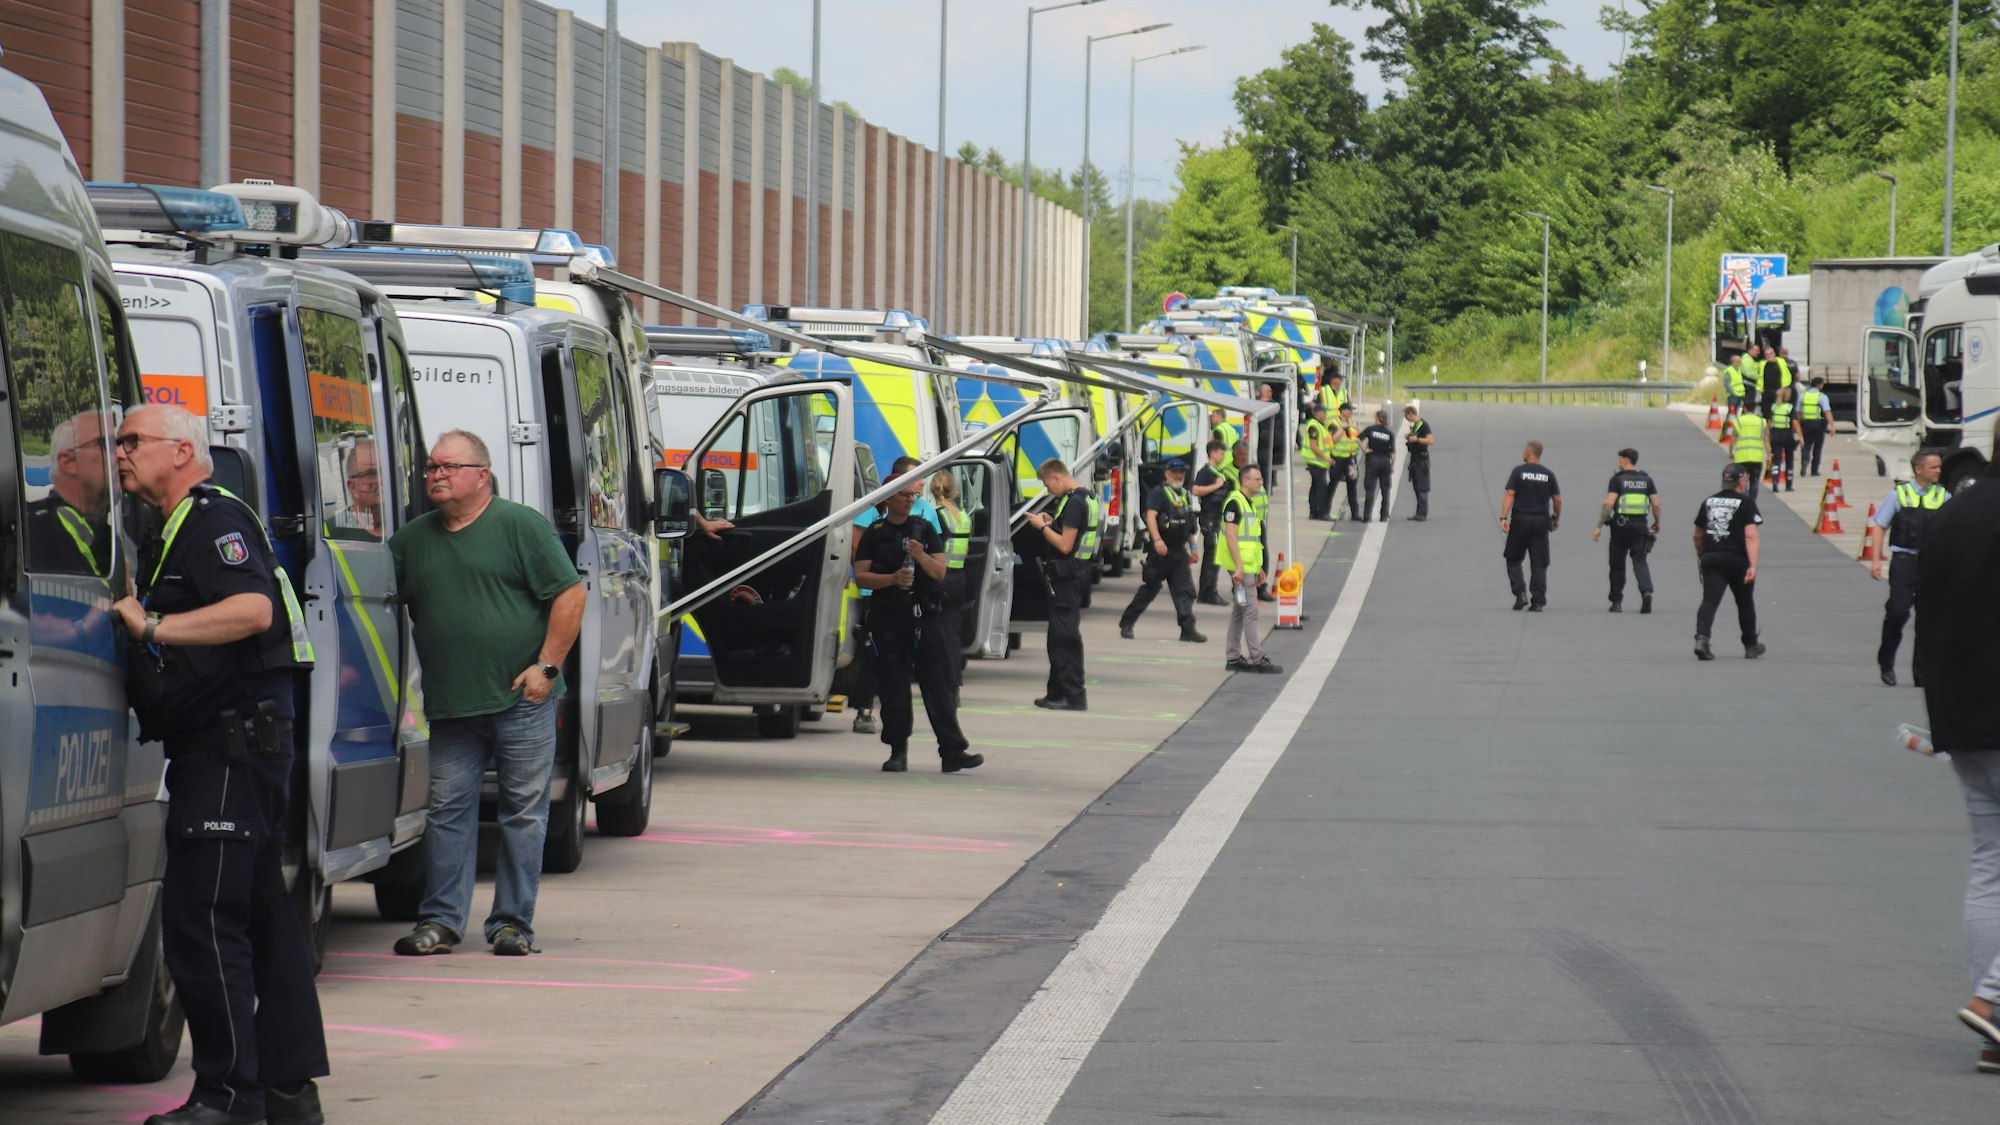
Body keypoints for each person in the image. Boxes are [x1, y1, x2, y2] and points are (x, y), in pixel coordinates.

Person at [107, 405, 328, 1125]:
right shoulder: (174, 528)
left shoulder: (211, 521)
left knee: (203, 921)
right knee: (261, 921)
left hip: (231, 750)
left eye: (133, 440)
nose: (120, 452)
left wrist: (154, 624)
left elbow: (253, 610)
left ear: (182, 450)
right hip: (240, 748)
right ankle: (289, 1091)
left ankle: (228, 1095)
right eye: (115, 442)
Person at [389, 429, 586, 959]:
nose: (437, 475)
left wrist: (547, 666)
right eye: (432, 467)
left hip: (522, 701)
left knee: (523, 812)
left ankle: (511, 925)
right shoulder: (412, 540)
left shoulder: (520, 526)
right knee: (448, 812)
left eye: (449, 467)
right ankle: (440, 923)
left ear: (483, 475)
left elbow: (570, 593)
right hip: (453, 704)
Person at [1910, 436, 2000, 1075]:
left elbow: (1926, 613)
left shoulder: (1950, 515)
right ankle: (1991, 1001)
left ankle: (1995, 1029)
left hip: (1962, 716)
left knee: (1991, 865)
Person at [855, 475, 980, 773]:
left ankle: (952, 752)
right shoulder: (875, 533)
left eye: (914, 495)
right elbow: (861, 576)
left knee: (939, 685)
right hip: (888, 617)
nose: (910, 500)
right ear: (889, 498)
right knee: (894, 688)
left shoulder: (926, 528)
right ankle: (898, 751)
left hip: (925, 618)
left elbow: (939, 572)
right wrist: (892, 580)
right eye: (904, 495)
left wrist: (920, 555)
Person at [846, 455, 941, 734]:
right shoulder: (878, 505)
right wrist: (880, 572)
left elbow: (937, 554)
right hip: (878, 593)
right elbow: (856, 543)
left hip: (916, 599)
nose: (918, 490)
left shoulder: (927, 510)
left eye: (921, 484)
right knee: (873, 654)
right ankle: (865, 710)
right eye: (914, 482)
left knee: (918, 660)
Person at [1868, 449, 1948, 687]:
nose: (1938, 471)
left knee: (1927, 620)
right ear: (1918, 469)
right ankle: (1886, 662)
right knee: (1897, 612)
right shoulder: (1899, 494)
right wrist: (1875, 559)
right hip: (1904, 561)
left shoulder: (1943, 495)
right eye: (1934, 467)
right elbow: (1879, 525)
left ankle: (1921, 673)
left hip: (1930, 565)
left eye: (1939, 467)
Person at [1024, 459, 1095, 711]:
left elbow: (1065, 545)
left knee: (1064, 638)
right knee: (1058, 636)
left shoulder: (1074, 502)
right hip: (1074, 575)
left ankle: (1072, 695)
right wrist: (1052, 521)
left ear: (1056, 478)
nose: (1047, 490)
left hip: (1067, 578)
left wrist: (1043, 527)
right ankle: (1056, 691)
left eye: (1047, 485)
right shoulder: (1084, 497)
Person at [1119, 458, 1205, 643]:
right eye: (1175, 472)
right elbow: (1151, 516)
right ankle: (1127, 623)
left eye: (1181, 472)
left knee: (1185, 591)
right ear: (1166, 474)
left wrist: (1194, 547)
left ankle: (1188, 629)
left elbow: (1188, 524)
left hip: (1178, 552)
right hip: (1161, 551)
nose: (1179, 475)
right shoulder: (1158, 493)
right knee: (1150, 589)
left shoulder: (1184, 494)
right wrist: (1157, 540)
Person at [1692, 462, 1765, 661]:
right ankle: (1750, 645)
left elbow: (1697, 535)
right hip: (1737, 560)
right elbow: (1751, 535)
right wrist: (1753, 565)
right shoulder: (1746, 502)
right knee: (1744, 602)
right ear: (1741, 480)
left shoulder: (1708, 501)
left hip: (1712, 557)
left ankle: (1702, 638)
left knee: (1710, 600)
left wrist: (1702, 555)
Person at [26, 409, 112, 575]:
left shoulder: (107, 536)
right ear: (69, 461)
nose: (120, 454)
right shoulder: (34, 535)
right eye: (106, 444)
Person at [1216, 464, 1281, 675]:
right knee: (1250, 609)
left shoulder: (1248, 504)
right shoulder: (1235, 504)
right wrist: (1240, 567)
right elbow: (1232, 537)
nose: (1261, 482)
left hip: (1248, 566)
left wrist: (1260, 567)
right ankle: (1257, 657)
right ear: (1245, 481)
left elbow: (1253, 541)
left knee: (1240, 608)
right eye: (1257, 479)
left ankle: (1233, 656)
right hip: (1240, 568)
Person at [1591, 447, 1661, 613]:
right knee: (1640, 560)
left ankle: (1616, 602)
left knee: (1617, 564)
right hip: (1640, 526)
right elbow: (1656, 504)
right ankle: (1646, 592)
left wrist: (1598, 526)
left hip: (1621, 526)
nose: (1618, 462)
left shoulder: (1617, 480)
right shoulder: (1647, 480)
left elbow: (1609, 504)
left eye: (1619, 459)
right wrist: (1657, 522)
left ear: (1624, 460)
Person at [1499, 441, 1561, 612]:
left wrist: (1504, 516)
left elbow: (1510, 494)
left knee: (1513, 558)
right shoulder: (1549, 474)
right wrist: (1556, 518)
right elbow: (1557, 499)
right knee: (1539, 563)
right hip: (1541, 521)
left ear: (1528, 452)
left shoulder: (1518, 471)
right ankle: (1538, 601)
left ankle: (1520, 594)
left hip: (1520, 520)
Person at [928, 470, 973, 674]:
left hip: (940, 578)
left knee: (936, 632)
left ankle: (943, 677)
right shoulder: (963, 515)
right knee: (952, 631)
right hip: (959, 578)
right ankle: (954, 675)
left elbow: (932, 549)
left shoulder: (936, 516)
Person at [1193, 440, 1230, 604]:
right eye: (1221, 453)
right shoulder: (1206, 472)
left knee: (1215, 556)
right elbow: (1195, 490)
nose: (1223, 456)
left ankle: (1207, 591)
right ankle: (1208, 592)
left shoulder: (1219, 471)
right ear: (1213, 453)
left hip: (1218, 517)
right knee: (1212, 555)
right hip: (1209, 517)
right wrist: (1216, 486)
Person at [326, 438, 385, 540]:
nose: (383, 480)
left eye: (386, 471)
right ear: (353, 487)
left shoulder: (407, 521)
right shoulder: (330, 532)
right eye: (371, 474)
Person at [1358, 408, 1397, 522]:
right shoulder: (1389, 433)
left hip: (1373, 460)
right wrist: (1393, 465)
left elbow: (1358, 439)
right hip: (1385, 462)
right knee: (1385, 490)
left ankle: (1367, 517)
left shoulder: (1371, 429)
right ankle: (1384, 516)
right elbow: (1393, 453)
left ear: (1376, 419)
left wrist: (1364, 449)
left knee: (1370, 489)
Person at [1328, 403, 1363, 521]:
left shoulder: (1351, 422)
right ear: (1342, 411)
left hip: (1351, 458)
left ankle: (1355, 513)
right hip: (1338, 458)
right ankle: (1325, 511)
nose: (1351, 412)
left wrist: (1363, 449)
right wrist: (1342, 429)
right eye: (1349, 410)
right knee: (1333, 485)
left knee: (1352, 486)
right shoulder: (1335, 422)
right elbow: (1333, 439)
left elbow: (1357, 436)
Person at [1301, 403, 1334, 520]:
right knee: (1321, 487)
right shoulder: (1314, 426)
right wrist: (1327, 459)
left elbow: (1326, 444)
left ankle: (1314, 512)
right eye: (1323, 412)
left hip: (1320, 462)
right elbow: (1314, 446)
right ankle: (1320, 512)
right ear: (1318, 413)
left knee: (1315, 487)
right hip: (1316, 462)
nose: (1325, 414)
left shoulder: (1321, 426)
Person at [1729, 402, 1769, 498]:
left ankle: (1744, 500)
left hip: (1742, 457)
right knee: (1754, 481)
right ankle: (1752, 503)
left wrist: (1731, 451)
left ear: (1745, 408)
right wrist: (1769, 454)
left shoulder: (1739, 421)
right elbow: (1766, 439)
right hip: (1756, 457)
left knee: (1742, 481)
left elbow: (1733, 438)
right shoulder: (1761, 421)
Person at [1767, 386, 1802, 491]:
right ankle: (1789, 484)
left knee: (1776, 459)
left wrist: (1768, 435)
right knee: (1789, 460)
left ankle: (1775, 481)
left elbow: (1769, 423)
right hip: (1787, 435)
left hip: (1775, 435)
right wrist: (1800, 436)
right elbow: (1795, 423)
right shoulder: (1789, 407)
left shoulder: (1773, 407)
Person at [1403, 404, 1434, 521]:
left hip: (1422, 460)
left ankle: (1423, 513)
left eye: (1406, 417)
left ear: (1411, 414)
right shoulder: (1416, 426)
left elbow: (1431, 440)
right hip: (1415, 459)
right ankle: (1419, 512)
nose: (1406, 419)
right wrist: (1409, 437)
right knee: (1416, 487)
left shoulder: (1424, 425)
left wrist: (1417, 439)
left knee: (1422, 487)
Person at [1798, 376, 1832, 476]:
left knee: (1806, 445)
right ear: (1820, 385)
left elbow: (1798, 412)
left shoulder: (1803, 396)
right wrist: (1832, 425)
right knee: (1817, 447)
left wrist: (1799, 424)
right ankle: (1814, 470)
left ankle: (1804, 460)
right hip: (1818, 424)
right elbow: (1827, 412)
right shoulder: (1822, 397)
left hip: (1806, 423)